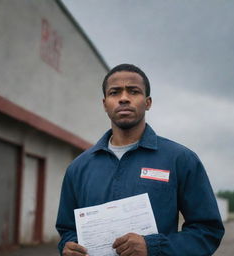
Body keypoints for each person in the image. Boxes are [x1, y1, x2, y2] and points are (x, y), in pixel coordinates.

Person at [56, 64, 224, 256]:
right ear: (105, 104)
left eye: (134, 91)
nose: (124, 98)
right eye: (115, 92)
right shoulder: (79, 168)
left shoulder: (180, 159)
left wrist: (154, 248)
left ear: (148, 102)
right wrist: (68, 246)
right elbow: (67, 230)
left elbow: (208, 231)